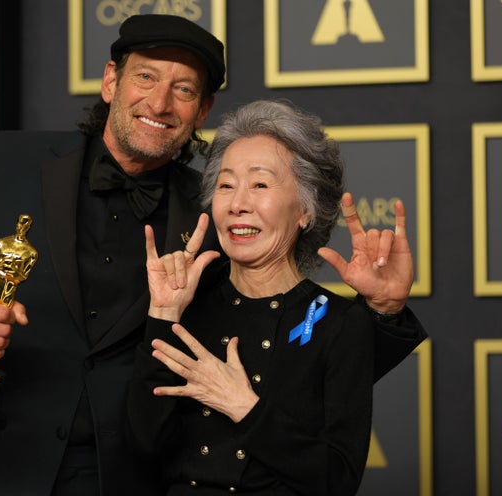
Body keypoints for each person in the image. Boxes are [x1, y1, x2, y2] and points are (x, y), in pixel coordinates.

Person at [0, 15, 424, 496]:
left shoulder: (219, 211)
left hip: (128, 477)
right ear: (111, 80)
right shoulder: (5, 161)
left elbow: (298, 362)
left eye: (183, 89)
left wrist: (384, 314)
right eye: (146, 76)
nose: (160, 103)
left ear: (203, 110)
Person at [126, 99, 427, 495]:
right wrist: (163, 313)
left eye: (260, 184)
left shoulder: (339, 322)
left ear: (305, 209)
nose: (238, 204)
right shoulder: (184, 303)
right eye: (226, 186)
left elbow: (337, 480)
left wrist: (244, 408)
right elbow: (139, 448)